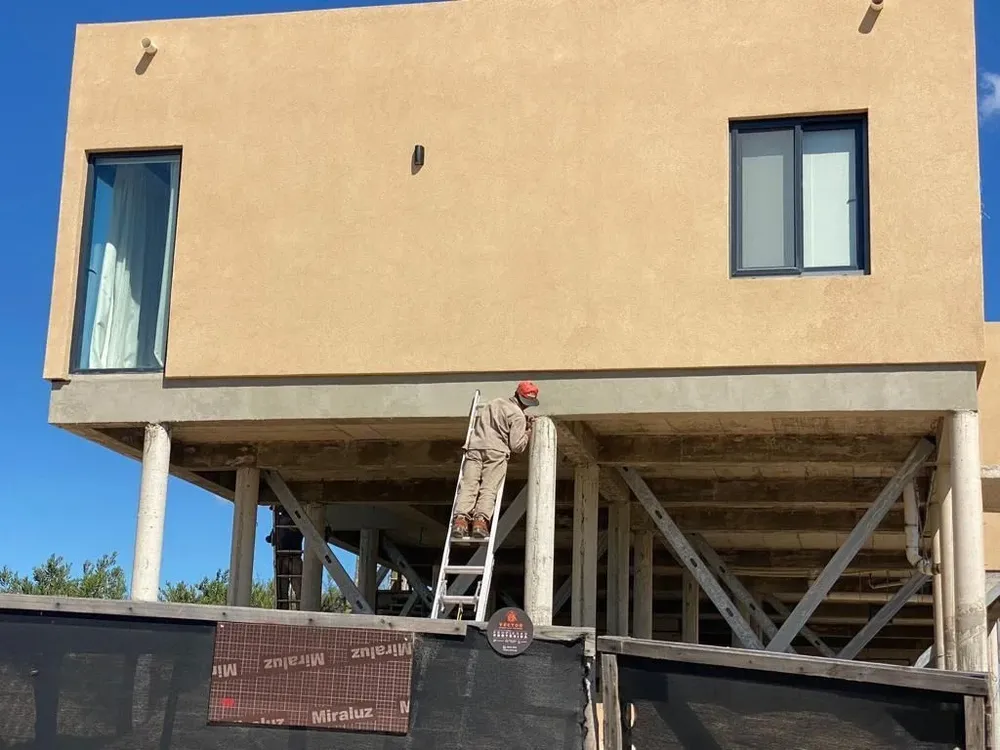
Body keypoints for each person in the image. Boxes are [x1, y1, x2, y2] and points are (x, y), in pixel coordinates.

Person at [452, 381, 540, 539]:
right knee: (488, 488)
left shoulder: (493, 403)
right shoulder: (518, 416)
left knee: (469, 485)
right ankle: (480, 522)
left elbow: (497, 422)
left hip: (475, 448)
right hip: (496, 452)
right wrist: (528, 431)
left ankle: (460, 521)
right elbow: (517, 446)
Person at [266, 506, 303, 609]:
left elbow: (273, 538)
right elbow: (272, 538)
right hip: (284, 557)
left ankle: (299, 609)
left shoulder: (294, 519)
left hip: (291, 557)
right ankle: (287, 609)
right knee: (284, 588)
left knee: (296, 588)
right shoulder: (279, 523)